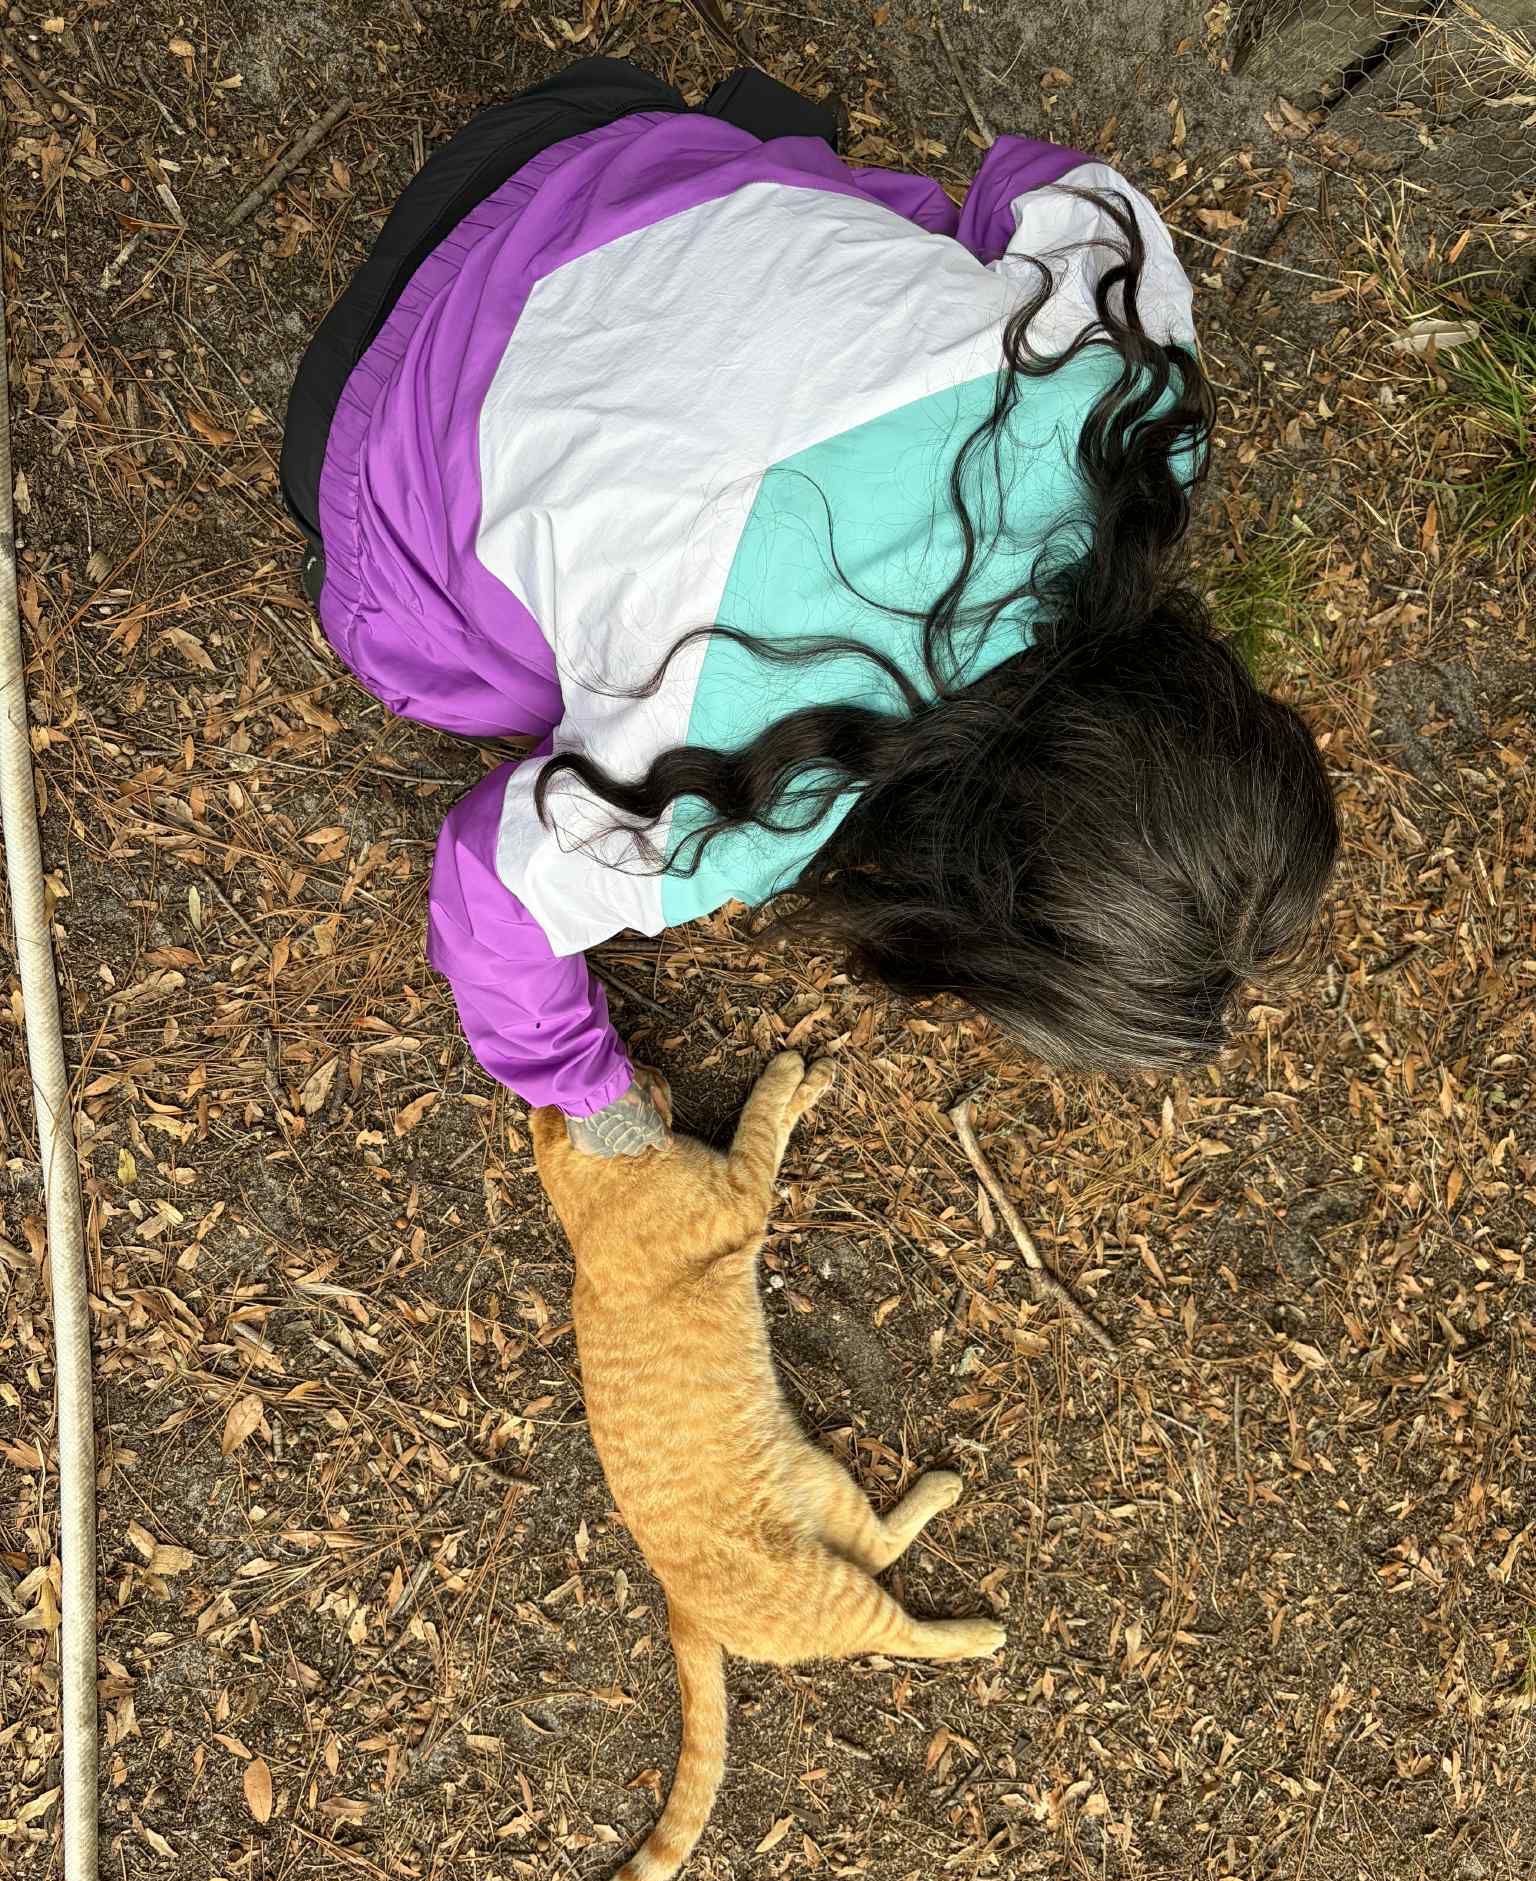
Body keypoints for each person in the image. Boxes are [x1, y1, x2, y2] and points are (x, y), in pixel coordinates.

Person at [280, 56, 1340, 1159]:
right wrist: (595, 1103)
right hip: (368, 406)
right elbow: (490, 893)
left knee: (901, 243)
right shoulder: (746, 796)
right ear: (963, 917)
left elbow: (1044, 188)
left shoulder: (1136, 408)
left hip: (599, 141)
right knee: (448, 663)